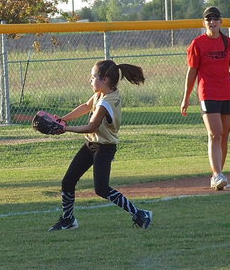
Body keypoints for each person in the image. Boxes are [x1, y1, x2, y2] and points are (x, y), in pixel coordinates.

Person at [48, 59, 152, 231]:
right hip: (91, 144)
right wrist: (62, 119)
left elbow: (91, 126)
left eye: (93, 77)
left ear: (104, 79)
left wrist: (65, 129)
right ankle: (68, 220)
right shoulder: (101, 94)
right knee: (68, 181)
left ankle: (140, 213)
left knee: (101, 188)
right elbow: (86, 106)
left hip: (104, 147)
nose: (90, 81)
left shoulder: (106, 102)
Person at [180, 6, 230, 191]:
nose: (212, 22)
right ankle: (217, 175)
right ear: (204, 23)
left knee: (224, 135)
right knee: (215, 133)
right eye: (208, 19)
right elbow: (192, 72)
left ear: (221, 22)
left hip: (227, 92)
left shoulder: (228, 43)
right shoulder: (198, 43)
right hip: (208, 92)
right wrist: (186, 97)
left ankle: (219, 173)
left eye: (215, 19)